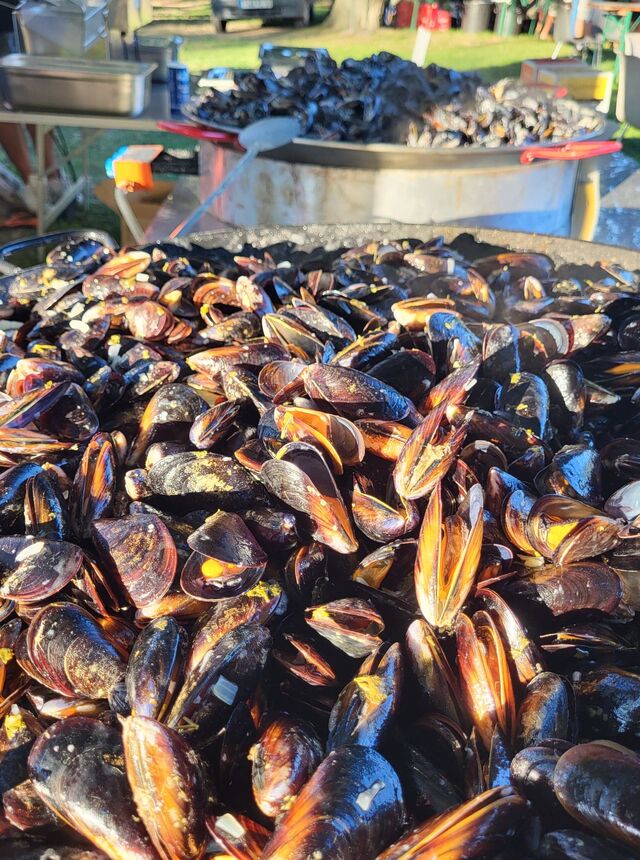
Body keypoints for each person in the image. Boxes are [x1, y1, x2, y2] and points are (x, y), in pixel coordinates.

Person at [0, 0, 62, 214]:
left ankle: (50, 179)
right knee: (7, 103)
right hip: (15, 16)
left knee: (34, 93)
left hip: (25, 14)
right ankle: (34, 185)